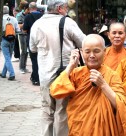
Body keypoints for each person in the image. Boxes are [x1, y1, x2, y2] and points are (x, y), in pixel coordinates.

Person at [50, 34, 126, 136]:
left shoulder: (112, 75)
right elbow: (55, 91)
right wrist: (70, 66)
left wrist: (103, 85)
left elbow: (121, 106)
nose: (92, 55)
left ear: (104, 52)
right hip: (79, 129)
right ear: (82, 52)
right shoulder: (76, 73)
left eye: (96, 51)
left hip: (103, 130)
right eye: (87, 52)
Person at [29, 0, 86, 135]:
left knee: (47, 110)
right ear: (60, 9)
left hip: (44, 75)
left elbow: (32, 48)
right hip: (64, 74)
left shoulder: (37, 24)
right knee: (62, 110)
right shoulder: (68, 22)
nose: (67, 10)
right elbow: (84, 42)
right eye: (66, 7)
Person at [23, 2, 43, 85]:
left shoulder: (28, 16)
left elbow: (24, 30)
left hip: (32, 40)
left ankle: (36, 78)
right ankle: (39, 76)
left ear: (29, 8)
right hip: (42, 40)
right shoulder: (42, 16)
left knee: (34, 59)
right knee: (42, 59)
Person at [0, 6, 20, 80]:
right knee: (8, 57)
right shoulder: (14, 19)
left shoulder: (1, 19)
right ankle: (3, 73)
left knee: (7, 58)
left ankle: (12, 74)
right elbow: (18, 30)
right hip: (12, 40)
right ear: (9, 11)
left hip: (4, 40)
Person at [16, 2, 30, 74]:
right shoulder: (19, 15)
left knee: (26, 51)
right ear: (25, 9)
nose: (29, 11)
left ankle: (24, 67)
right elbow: (19, 26)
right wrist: (27, 22)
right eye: (28, 9)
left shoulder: (28, 15)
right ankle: (21, 67)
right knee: (23, 51)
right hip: (21, 34)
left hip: (27, 34)